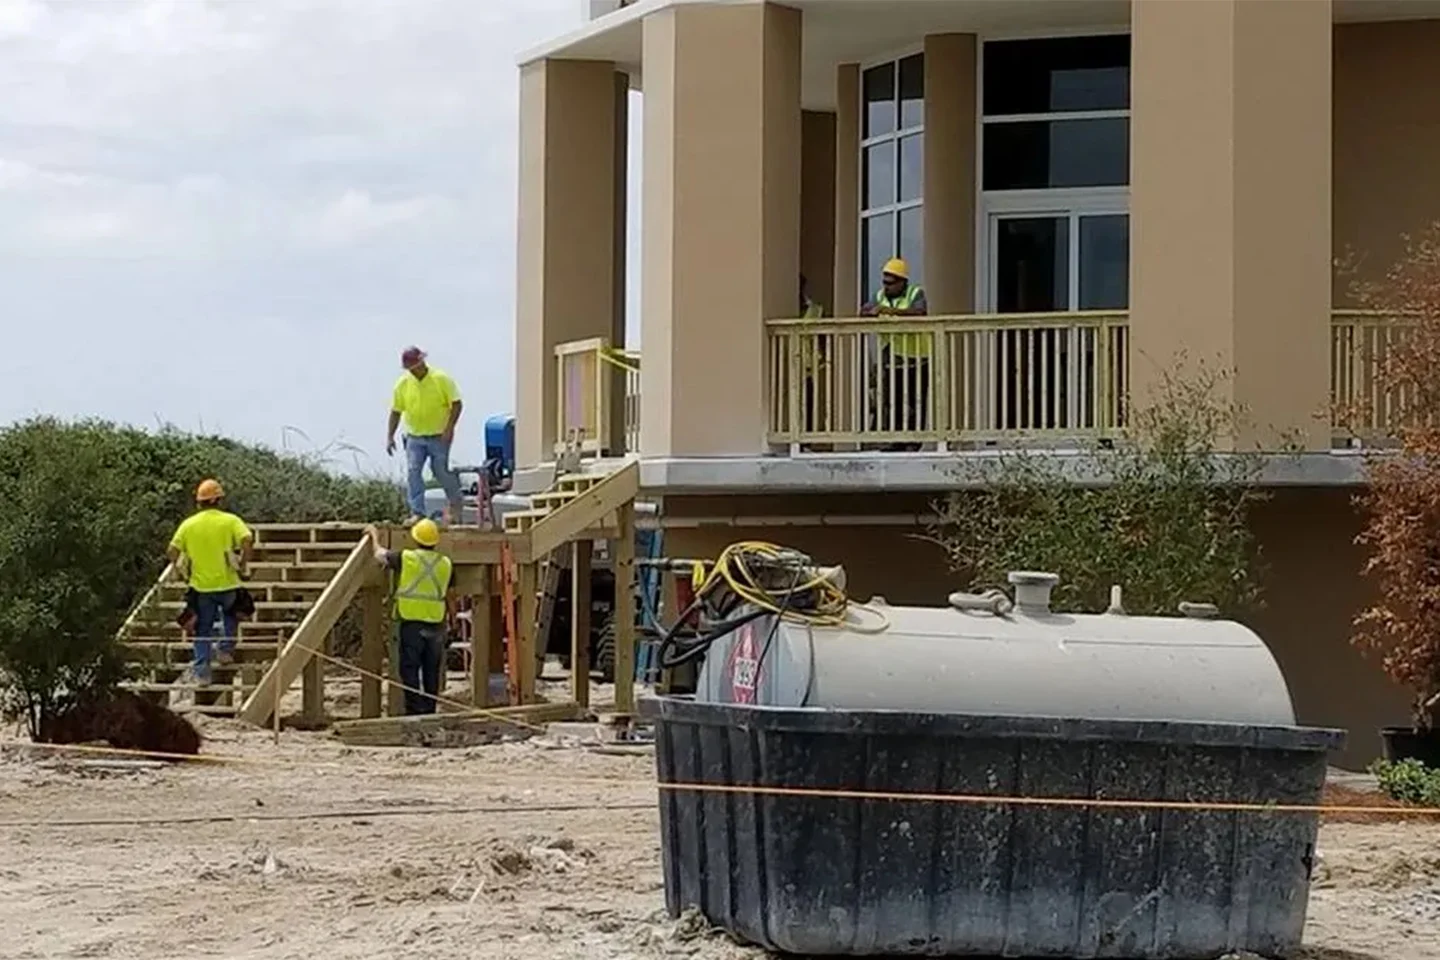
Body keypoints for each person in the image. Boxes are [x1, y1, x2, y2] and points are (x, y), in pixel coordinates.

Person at [167, 479, 253, 685]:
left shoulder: (188, 525)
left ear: (200, 502)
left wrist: (181, 570)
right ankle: (224, 651)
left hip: (200, 586)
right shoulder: (231, 521)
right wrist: (242, 563)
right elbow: (247, 540)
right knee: (231, 618)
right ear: (218, 500)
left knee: (202, 629)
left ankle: (202, 672)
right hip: (228, 583)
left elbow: (172, 550)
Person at [366, 519, 455, 715]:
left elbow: (379, 555)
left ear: (415, 539)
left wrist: (374, 534)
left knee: (410, 669)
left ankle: (414, 711)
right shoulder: (445, 563)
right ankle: (429, 710)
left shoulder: (406, 558)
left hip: (412, 621)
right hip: (436, 623)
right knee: (432, 670)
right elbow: (450, 592)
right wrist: (453, 620)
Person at [387, 346, 464, 525]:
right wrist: (390, 436)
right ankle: (417, 512)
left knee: (440, 470)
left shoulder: (440, 379)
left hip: (439, 435)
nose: (414, 372)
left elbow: (457, 404)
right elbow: (396, 411)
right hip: (415, 436)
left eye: (415, 367)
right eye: (410, 369)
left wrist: (449, 428)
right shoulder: (403, 384)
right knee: (413, 471)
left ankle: (455, 502)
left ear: (422, 362)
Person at [860, 257, 930, 446]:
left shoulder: (915, 293)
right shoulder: (880, 296)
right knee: (894, 401)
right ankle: (896, 440)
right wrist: (870, 312)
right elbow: (864, 310)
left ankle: (915, 441)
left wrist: (890, 311)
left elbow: (920, 313)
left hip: (917, 357)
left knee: (916, 401)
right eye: (884, 282)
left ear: (902, 282)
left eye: (891, 283)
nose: (887, 286)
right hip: (892, 357)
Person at [799, 274, 827, 437]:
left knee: (808, 403)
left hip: (809, 366)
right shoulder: (784, 306)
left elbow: (823, 339)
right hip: (787, 365)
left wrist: (823, 359)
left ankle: (806, 441)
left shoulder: (815, 310)